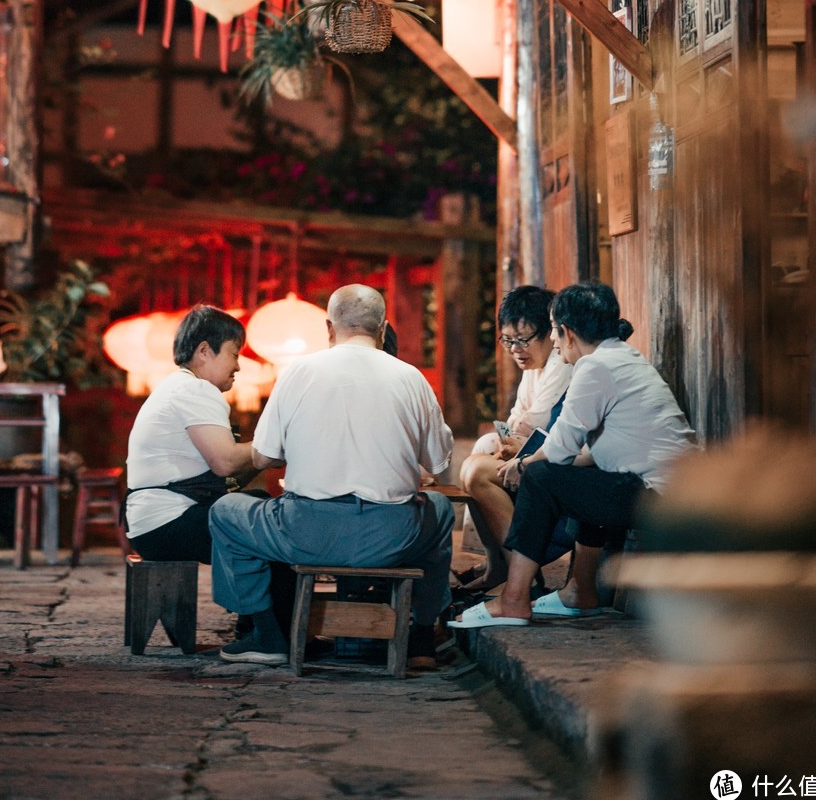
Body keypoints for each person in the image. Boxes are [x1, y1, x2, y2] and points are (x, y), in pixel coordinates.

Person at [208, 284, 456, 667]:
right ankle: (422, 637)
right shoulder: (412, 378)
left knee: (225, 511)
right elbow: (440, 466)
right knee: (439, 508)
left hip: (306, 532)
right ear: (383, 327)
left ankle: (266, 634)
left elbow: (264, 455)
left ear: (328, 327)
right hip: (391, 537)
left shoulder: (298, 373)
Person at [449, 282, 696, 629]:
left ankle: (515, 599)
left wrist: (522, 465)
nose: (551, 340)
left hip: (658, 494)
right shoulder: (620, 358)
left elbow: (559, 451)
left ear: (566, 331)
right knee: (574, 481)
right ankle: (579, 592)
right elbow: (585, 454)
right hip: (667, 487)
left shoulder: (595, 367)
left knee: (541, 477)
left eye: (551, 330)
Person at [459, 286, 572, 588]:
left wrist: (510, 441)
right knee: (482, 451)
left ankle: (522, 576)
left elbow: (532, 423)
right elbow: (514, 419)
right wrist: (507, 441)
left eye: (524, 340)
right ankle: (498, 563)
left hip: (561, 458)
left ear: (551, 332)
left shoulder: (561, 362)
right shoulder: (533, 367)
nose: (516, 349)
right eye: (509, 341)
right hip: (535, 448)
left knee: (480, 468)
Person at [124, 305, 256, 563]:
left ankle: (260, 602)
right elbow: (225, 462)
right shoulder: (195, 390)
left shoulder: (177, 386)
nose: (238, 366)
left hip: (151, 524)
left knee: (257, 507)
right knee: (273, 524)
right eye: (234, 355)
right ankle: (281, 604)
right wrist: (277, 447)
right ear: (205, 351)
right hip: (168, 524)